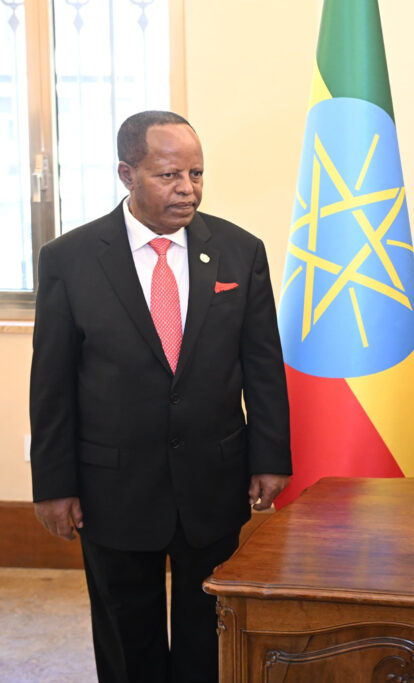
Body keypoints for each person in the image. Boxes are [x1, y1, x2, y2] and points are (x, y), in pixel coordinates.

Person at [29, 110, 292, 682]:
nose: (187, 189)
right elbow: (51, 382)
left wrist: (270, 457)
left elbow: (263, 364)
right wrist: (53, 484)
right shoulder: (69, 259)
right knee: (128, 633)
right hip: (113, 485)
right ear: (127, 174)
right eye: (169, 175)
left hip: (212, 477)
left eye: (196, 174)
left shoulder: (239, 251)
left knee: (209, 628)